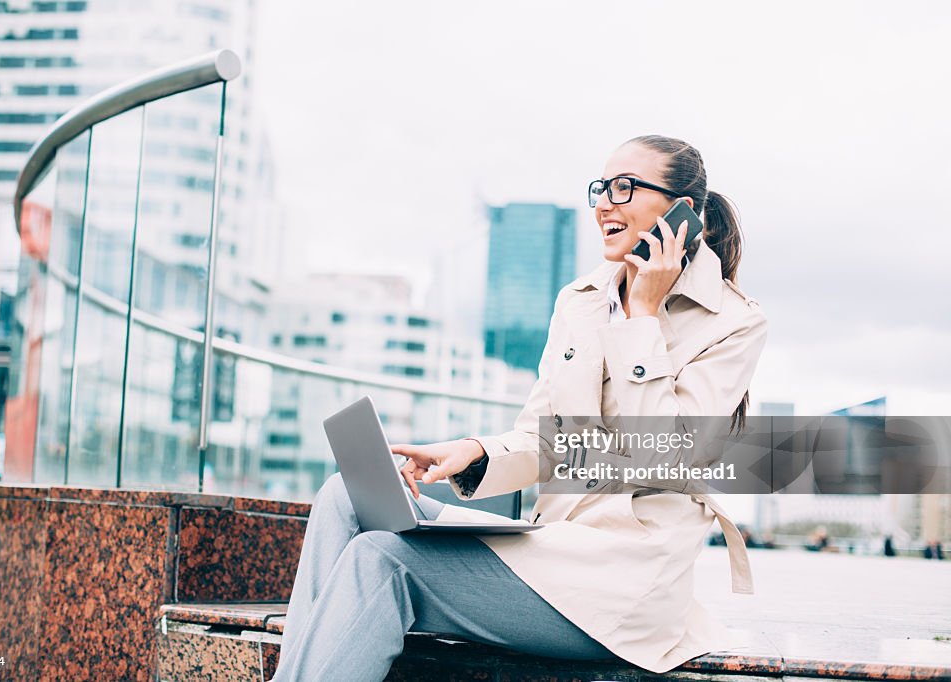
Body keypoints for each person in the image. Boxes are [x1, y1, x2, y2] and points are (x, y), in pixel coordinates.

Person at [271, 135, 768, 681]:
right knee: (345, 494)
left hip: (626, 583)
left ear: (685, 213)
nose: (604, 203)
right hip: (550, 549)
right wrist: (470, 453)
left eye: (625, 187)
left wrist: (642, 315)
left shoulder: (734, 322)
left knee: (380, 560)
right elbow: (542, 437)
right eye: (601, 188)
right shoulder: (579, 301)